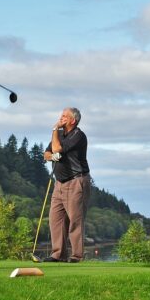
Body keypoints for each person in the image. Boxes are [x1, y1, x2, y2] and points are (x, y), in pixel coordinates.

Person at [42, 107, 91, 262]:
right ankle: (58, 254)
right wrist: (52, 156)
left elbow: (56, 149)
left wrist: (55, 128)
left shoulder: (78, 135)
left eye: (64, 116)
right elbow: (47, 153)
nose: (60, 118)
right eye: (61, 115)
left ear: (73, 120)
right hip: (60, 183)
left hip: (76, 181)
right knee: (55, 219)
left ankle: (77, 256)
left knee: (75, 220)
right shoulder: (59, 135)